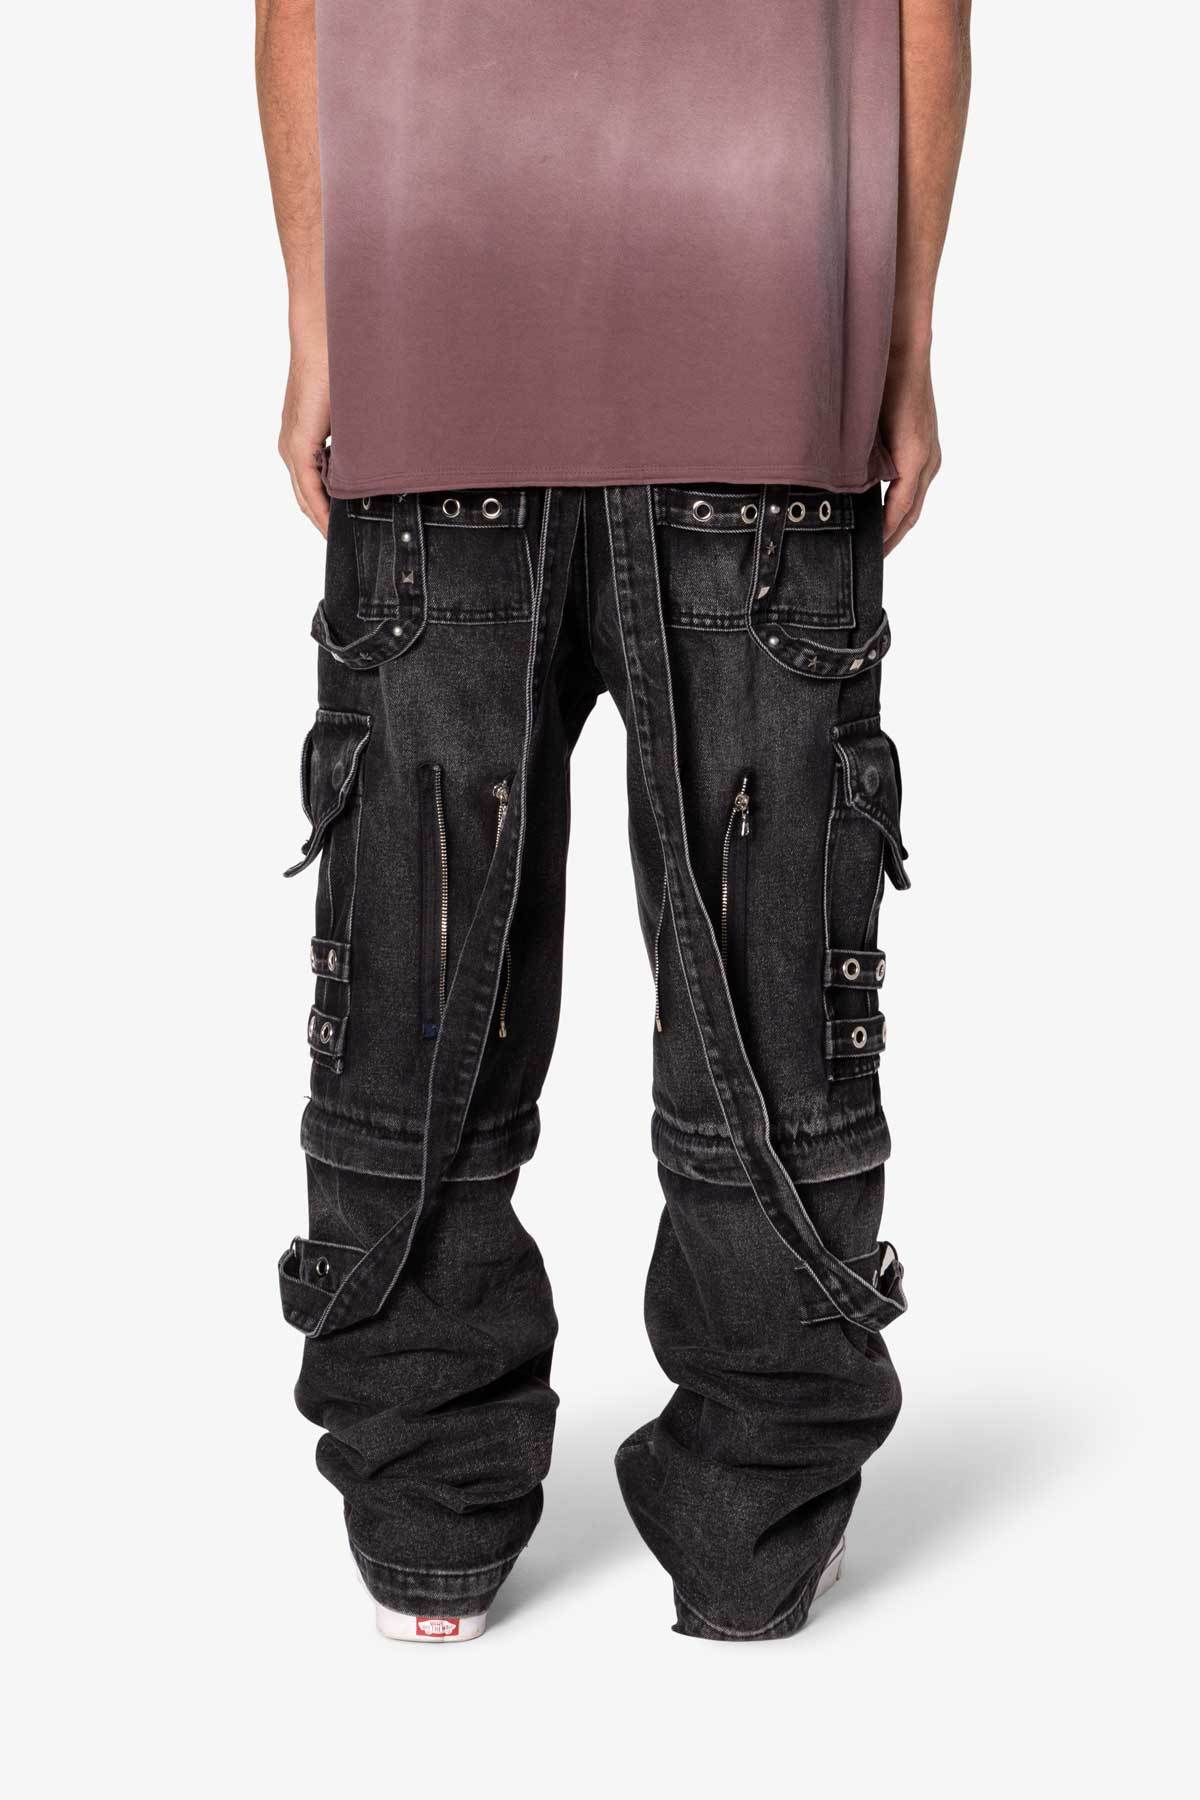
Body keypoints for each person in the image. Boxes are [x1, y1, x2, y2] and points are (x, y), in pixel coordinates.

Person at [257, 0, 971, 1643]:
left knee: (420, 974)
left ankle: (427, 1524)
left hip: (435, 309)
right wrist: (902, 335)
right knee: (769, 1002)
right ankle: (755, 1535)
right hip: (767, 325)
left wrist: (318, 314)